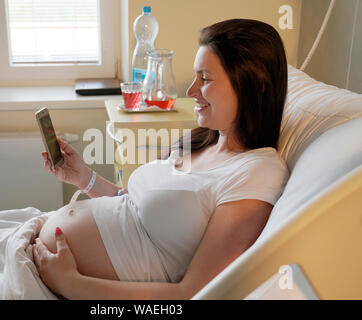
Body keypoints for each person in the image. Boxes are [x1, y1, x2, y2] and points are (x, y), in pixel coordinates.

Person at [31, 18, 290, 300]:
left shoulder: (258, 172)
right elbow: (132, 206)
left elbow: (191, 293)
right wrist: (82, 177)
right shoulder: (202, 141)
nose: (190, 91)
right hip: (44, 264)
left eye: (205, 79)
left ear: (255, 85)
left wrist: (71, 284)